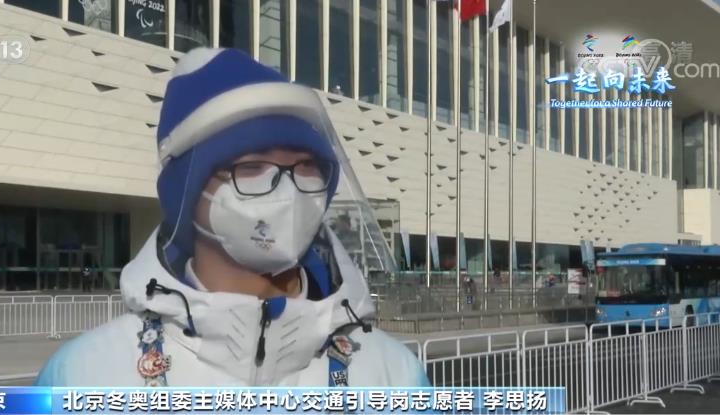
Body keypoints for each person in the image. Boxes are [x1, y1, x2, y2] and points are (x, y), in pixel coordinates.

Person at [34, 48, 429, 387]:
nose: (288, 192)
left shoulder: (392, 374)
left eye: (307, 167)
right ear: (189, 193)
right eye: (252, 167)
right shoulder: (85, 375)